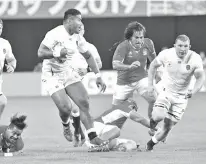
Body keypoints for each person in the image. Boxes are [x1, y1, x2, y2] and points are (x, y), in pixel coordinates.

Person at [37, 9, 108, 152]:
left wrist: (98, 75)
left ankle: (93, 137)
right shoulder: (54, 34)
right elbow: (40, 52)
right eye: (78, 20)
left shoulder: (77, 37)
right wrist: (56, 53)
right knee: (65, 108)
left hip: (68, 72)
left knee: (84, 101)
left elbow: (88, 56)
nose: (81, 23)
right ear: (69, 20)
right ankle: (65, 125)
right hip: (52, 75)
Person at [146, 35, 205, 151]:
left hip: (181, 98)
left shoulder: (195, 58)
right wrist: (150, 85)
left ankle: (150, 144)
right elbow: (153, 66)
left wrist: (193, 91)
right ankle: (153, 124)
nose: (183, 49)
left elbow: (200, 79)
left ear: (190, 46)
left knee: (167, 128)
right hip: (166, 91)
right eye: (180, 46)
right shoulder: (167, 54)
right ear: (174, 46)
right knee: (158, 116)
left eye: (186, 46)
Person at [111, 21, 156, 119]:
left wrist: (157, 76)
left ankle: (152, 125)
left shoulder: (148, 43)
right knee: (115, 112)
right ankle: (129, 102)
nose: (139, 40)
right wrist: (129, 67)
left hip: (142, 79)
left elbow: (154, 62)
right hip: (124, 82)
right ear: (130, 37)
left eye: (141, 37)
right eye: (136, 37)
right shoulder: (123, 46)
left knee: (154, 99)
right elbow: (115, 64)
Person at [69, 24, 102, 147]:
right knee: (73, 109)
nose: (78, 30)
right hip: (69, 80)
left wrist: (87, 69)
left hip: (83, 79)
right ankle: (79, 132)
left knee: (80, 108)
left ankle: (82, 133)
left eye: (80, 28)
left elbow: (99, 63)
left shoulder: (89, 47)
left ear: (83, 30)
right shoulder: (68, 44)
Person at [85, 99, 150, 151]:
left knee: (132, 143)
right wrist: (155, 127)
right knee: (117, 130)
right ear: (132, 107)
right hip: (94, 132)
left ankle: (103, 147)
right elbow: (140, 119)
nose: (134, 112)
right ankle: (102, 145)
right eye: (135, 110)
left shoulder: (118, 109)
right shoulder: (124, 108)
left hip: (93, 136)